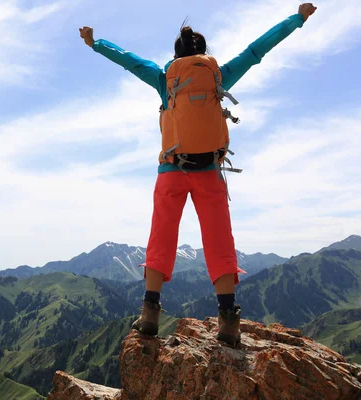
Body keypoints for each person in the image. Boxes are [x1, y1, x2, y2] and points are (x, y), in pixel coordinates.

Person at [79, 3, 317, 347]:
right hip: (209, 171)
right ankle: (228, 321)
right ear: (204, 54)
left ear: (176, 57)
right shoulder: (219, 75)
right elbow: (257, 49)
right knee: (219, 240)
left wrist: (95, 42)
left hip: (171, 171)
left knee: (161, 236)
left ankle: (149, 313)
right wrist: (298, 18)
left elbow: (129, 59)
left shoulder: (165, 79)